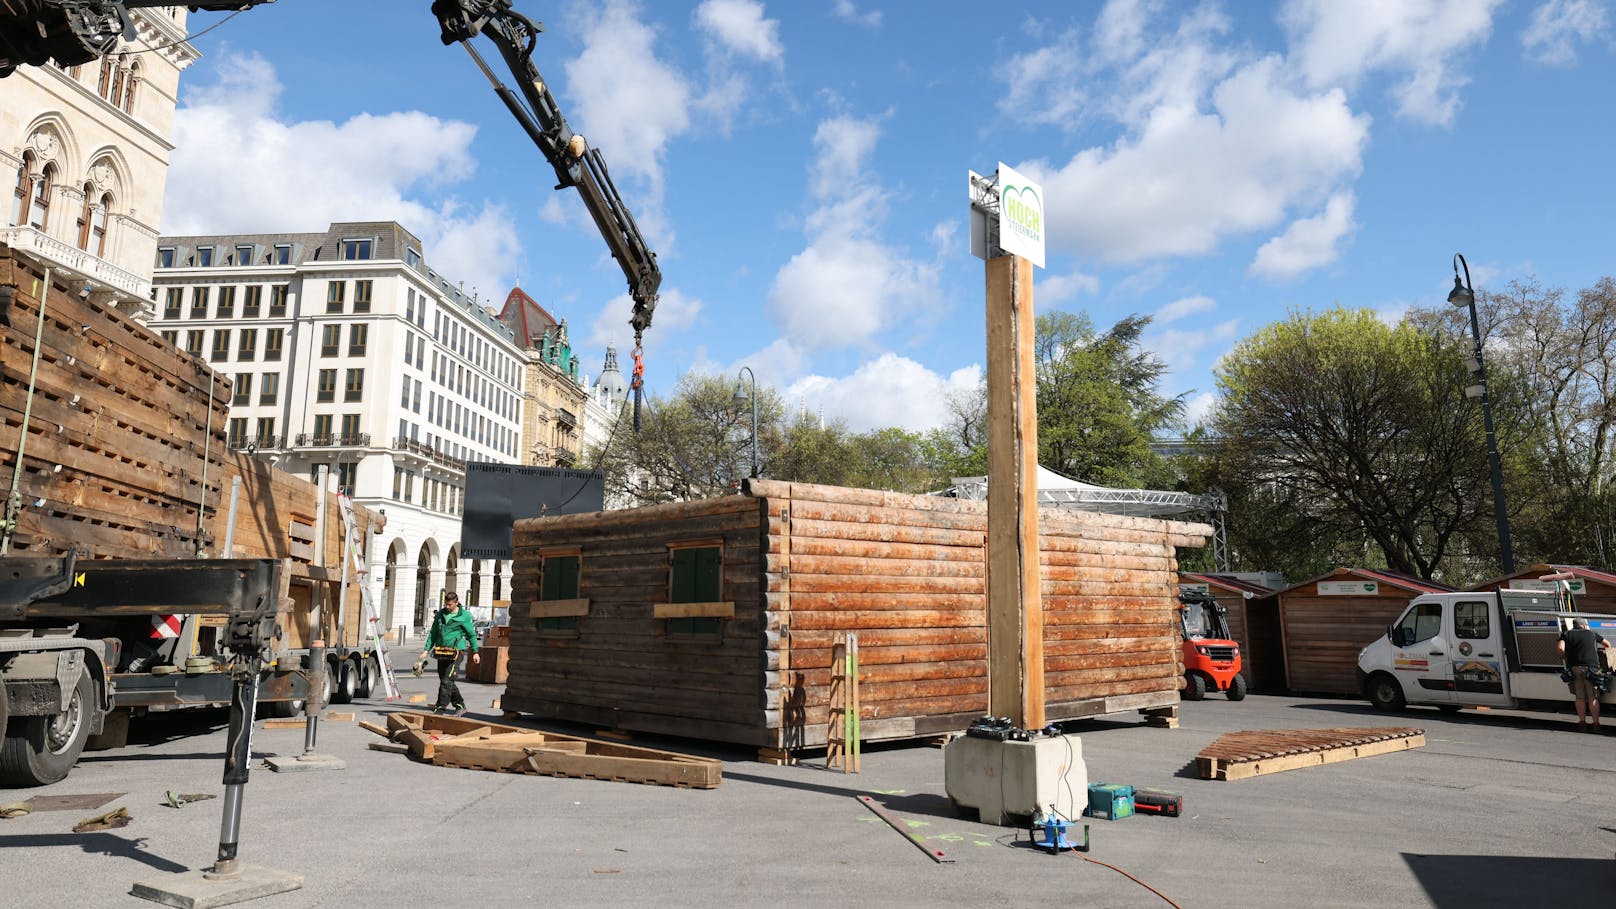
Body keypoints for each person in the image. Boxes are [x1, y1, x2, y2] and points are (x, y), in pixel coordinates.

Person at [419, 592, 480, 716]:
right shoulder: (441, 615)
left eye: (450, 605)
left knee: (446, 681)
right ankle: (460, 705)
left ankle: (440, 708)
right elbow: (433, 633)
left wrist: (475, 652)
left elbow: (471, 635)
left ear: (456, 603)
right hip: (442, 651)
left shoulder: (464, 616)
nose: (447, 607)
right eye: (446, 604)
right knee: (446, 680)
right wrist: (426, 650)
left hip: (456, 652)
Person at [1557, 617, 1610, 733]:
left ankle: (1582, 723)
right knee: (1593, 697)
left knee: (1580, 697)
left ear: (1573, 626)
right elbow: (1607, 644)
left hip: (1575, 668)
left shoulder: (1566, 634)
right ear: (1584, 625)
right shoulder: (1592, 634)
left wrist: (1566, 657)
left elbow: (1560, 648)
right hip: (1592, 669)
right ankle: (1596, 724)